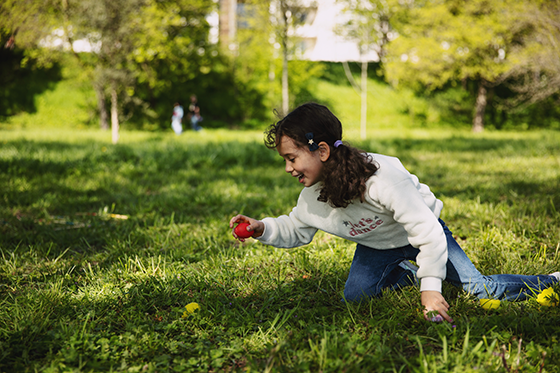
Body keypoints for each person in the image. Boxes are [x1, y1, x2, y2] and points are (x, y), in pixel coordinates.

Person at [229, 102, 560, 323]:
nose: (288, 168)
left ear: (323, 150)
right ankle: (407, 270)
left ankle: (552, 281)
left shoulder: (381, 177)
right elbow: (297, 227)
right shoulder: (312, 196)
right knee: (356, 298)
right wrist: (262, 228)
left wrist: (431, 286)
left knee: (479, 289)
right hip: (378, 244)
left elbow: (427, 232)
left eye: (292, 158)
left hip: (424, 234)